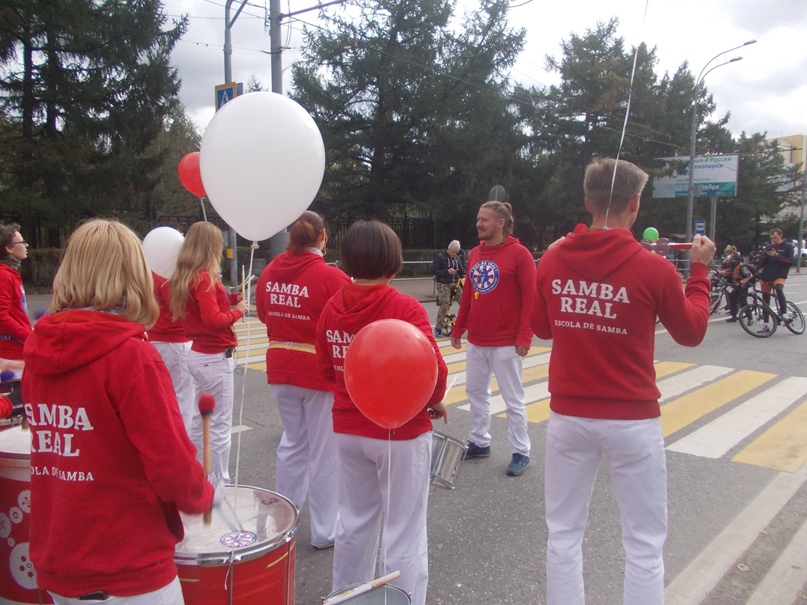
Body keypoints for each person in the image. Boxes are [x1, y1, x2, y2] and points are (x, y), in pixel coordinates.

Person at [530, 158, 715, 605]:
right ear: (635, 203)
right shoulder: (653, 268)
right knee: (644, 544)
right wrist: (701, 272)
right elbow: (691, 332)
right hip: (632, 420)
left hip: (569, 416)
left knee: (564, 535)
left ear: (586, 200)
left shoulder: (553, 258)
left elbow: (542, 328)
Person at [20, 219, 218, 603]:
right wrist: (203, 496)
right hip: (130, 565)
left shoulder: (39, 352)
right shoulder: (131, 357)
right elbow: (172, 466)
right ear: (134, 274)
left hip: (61, 562)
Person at [316, 220, 448, 605]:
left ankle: (345, 597)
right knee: (403, 530)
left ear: (347, 260)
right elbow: (433, 370)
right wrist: (433, 398)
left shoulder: (332, 307)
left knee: (354, 523)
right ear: (394, 261)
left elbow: (326, 368)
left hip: (347, 428)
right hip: (401, 433)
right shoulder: (403, 306)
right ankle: (402, 599)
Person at [255, 210, 351, 550]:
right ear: (323, 239)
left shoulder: (269, 272)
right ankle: (325, 530)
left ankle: (284, 520)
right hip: (318, 372)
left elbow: (265, 314)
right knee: (324, 453)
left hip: (280, 367)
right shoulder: (330, 277)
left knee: (293, 445)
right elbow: (348, 321)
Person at [450, 201, 536, 477]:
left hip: (507, 342)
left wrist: (525, 335)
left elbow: (530, 299)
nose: (479, 224)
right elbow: (468, 296)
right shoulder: (475, 253)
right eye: (478, 218)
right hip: (477, 340)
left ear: (501, 222)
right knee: (476, 393)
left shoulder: (519, 255)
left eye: (485, 219)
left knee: (513, 399)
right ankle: (479, 441)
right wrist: (458, 327)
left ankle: (521, 450)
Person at [169, 221, 249, 484]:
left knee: (199, 419)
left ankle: (193, 471)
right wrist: (239, 312)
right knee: (220, 427)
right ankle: (218, 483)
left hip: (199, 355)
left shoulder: (186, 275)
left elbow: (204, 311)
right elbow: (213, 319)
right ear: (210, 247)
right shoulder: (203, 277)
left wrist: (230, 299)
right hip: (214, 357)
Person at [148, 226, 196, 434]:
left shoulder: (148, 275)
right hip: (176, 343)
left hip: (152, 341)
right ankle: (180, 442)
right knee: (183, 399)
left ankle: (160, 434)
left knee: (158, 396)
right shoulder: (171, 282)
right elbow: (185, 311)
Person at [0, 223, 32, 361]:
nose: (27, 245)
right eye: (22, 242)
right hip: (9, 350)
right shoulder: (3, 275)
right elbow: (1, 317)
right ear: (8, 248)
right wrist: (28, 335)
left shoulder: (9, 274)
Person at [759, 227, 794, 320]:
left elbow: (789, 261)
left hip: (779, 274)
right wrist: (764, 256)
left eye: (775, 238)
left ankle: (784, 313)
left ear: (780, 236)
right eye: (772, 238)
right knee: (765, 299)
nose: (773, 240)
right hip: (767, 275)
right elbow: (762, 264)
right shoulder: (768, 247)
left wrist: (777, 255)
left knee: (778, 289)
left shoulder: (788, 247)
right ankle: (765, 322)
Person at [432, 239, 466, 337]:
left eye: (456, 252)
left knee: (465, 302)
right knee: (445, 303)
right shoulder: (440, 257)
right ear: (449, 249)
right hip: (443, 283)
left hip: (455, 283)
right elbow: (435, 270)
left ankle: (466, 323)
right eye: (453, 251)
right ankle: (438, 328)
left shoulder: (457, 258)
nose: (454, 254)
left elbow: (461, 271)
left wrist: (466, 276)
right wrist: (447, 272)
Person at [720, 245, 753, 323]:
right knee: (732, 299)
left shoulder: (742, 267)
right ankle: (733, 316)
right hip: (736, 285)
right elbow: (728, 272)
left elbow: (749, 276)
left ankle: (750, 318)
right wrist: (720, 273)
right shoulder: (733, 267)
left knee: (743, 301)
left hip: (743, 285)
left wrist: (740, 283)